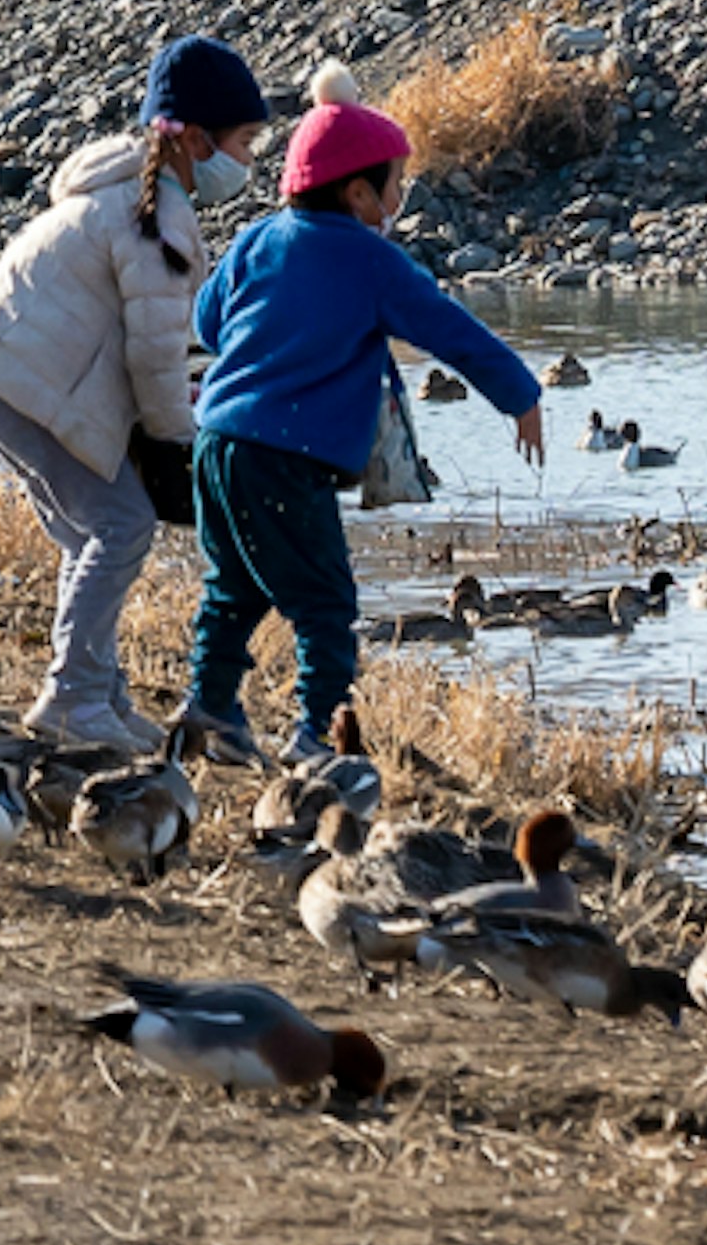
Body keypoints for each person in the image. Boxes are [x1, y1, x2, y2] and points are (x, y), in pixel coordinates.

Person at [185, 98, 544, 769]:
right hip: (285, 457)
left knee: (232, 585)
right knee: (325, 603)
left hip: (214, 445)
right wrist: (520, 395)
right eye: (395, 186)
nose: (400, 199)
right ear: (358, 193)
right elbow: (449, 331)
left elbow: (208, 323)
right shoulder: (372, 262)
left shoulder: (257, 239)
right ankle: (322, 735)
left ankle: (209, 707)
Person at [0, 36, 269, 750]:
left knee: (88, 534)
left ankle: (102, 696)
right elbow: (154, 358)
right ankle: (73, 698)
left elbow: (150, 343)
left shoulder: (125, 191)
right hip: (19, 382)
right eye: (244, 142)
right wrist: (184, 440)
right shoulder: (158, 218)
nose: (250, 162)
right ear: (194, 139)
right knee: (122, 526)